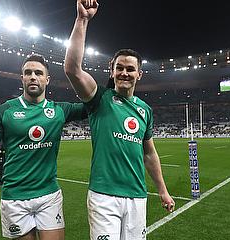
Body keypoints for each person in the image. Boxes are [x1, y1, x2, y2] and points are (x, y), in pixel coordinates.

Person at [64, 1, 175, 239]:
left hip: (137, 195)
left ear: (139, 74)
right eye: (120, 68)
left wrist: (163, 191)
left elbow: (150, 154)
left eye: (130, 69)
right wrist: (82, 20)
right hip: (104, 196)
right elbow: (72, 69)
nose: (125, 72)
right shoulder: (99, 98)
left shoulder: (145, 110)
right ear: (111, 70)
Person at [0, 54, 87, 240]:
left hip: (49, 195)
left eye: (38, 73)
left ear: (47, 79)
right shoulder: (5, 110)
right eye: (28, 72)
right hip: (15, 198)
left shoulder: (59, 110)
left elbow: (95, 103)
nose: (33, 76)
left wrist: (114, 78)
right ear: (22, 78)